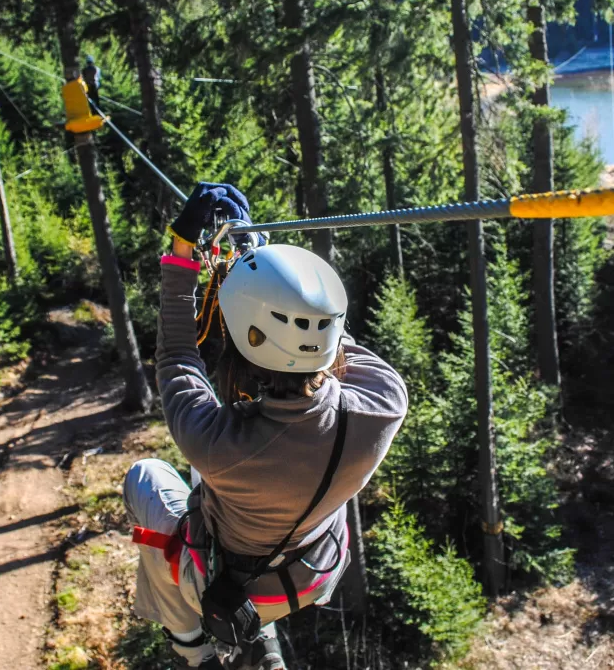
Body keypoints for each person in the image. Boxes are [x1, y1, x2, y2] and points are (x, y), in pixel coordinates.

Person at [123, 183, 408, 669]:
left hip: (240, 579)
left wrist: (182, 251)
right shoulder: (383, 404)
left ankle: (193, 648)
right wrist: (259, 267)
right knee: (215, 489)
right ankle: (265, 645)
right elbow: (329, 340)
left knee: (145, 477)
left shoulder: (218, 444)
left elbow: (176, 357)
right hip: (316, 570)